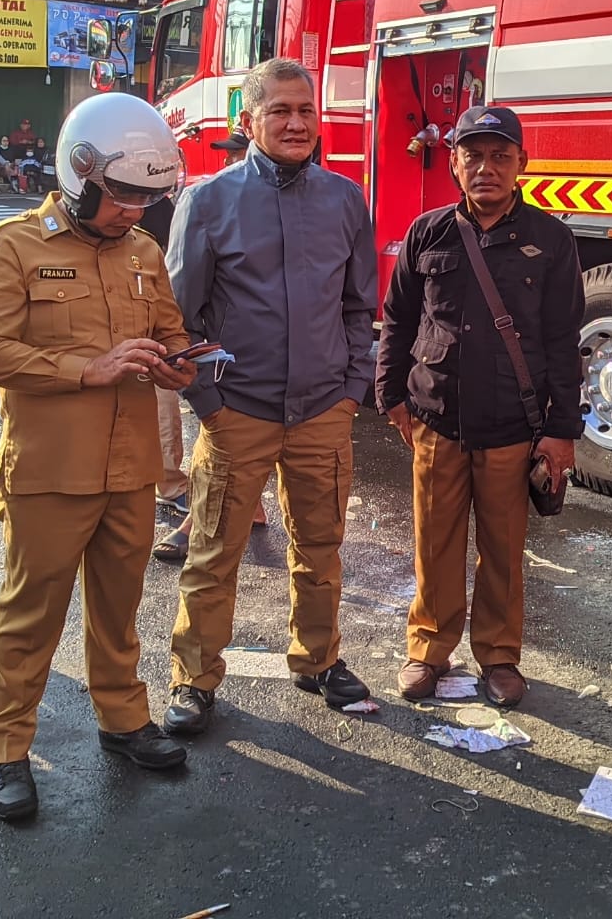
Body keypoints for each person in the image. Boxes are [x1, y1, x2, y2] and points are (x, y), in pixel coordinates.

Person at [0, 92, 199, 823]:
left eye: (145, 198)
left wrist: (180, 364)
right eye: (122, 195)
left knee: (119, 609)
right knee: (30, 615)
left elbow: (171, 333)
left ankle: (124, 720)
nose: (134, 210)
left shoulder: (144, 251)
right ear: (81, 172)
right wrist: (85, 369)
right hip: (49, 471)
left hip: (130, 470)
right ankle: (6, 748)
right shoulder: (13, 246)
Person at [161, 57, 377, 735]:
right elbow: (179, 318)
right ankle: (194, 678)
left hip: (322, 412)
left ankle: (318, 659)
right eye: (279, 110)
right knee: (213, 552)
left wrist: (351, 390)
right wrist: (209, 403)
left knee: (321, 547)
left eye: (305, 110)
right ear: (247, 121)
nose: (295, 123)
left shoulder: (345, 200)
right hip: (238, 412)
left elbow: (358, 307)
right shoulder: (207, 201)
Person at [375, 105, 585, 708]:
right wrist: (391, 395)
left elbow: (562, 342)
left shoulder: (551, 240)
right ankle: (428, 649)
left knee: (503, 550)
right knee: (434, 542)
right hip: (436, 418)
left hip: (512, 426)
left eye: (500, 156)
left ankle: (499, 655)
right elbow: (398, 318)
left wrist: (561, 430)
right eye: (473, 156)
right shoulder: (427, 232)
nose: (486, 168)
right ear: (454, 164)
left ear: (522, 164)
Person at [151, 127, 266, 564]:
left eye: (237, 154)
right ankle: (219, 514)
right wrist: (200, 385)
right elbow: (183, 295)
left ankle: (205, 519)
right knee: (224, 438)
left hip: (271, 360)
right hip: (222, 356)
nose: (229, 162)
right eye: (227, 155)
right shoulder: (208, 201)